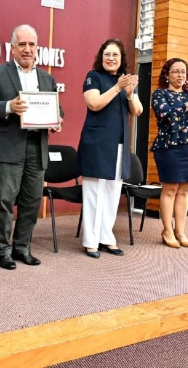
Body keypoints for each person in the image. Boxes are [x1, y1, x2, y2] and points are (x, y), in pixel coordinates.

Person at [0, 24, 64, 270]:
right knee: (5, 200)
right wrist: (8, 107)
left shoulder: (47, 78)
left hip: (37, 147)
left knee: (31, 201)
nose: (27, 49)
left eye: (32, 45)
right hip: (8, 147)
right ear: (12, 47)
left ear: (37, 48)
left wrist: (57, 119)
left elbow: (56, 108)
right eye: (22, 44)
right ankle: (3, 250)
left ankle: (22, 247)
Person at [76, 39, 143, 258]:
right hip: (97, 145)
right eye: (107, 54)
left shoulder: (125, 82)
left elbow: (138, 111)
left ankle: (106, 238)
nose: (111, 58)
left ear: (121, 58)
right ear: (101, 57)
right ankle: (91, 241)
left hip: (119, 145)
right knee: (94, 193)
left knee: (113, 194)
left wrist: (131, 93)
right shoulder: (93, 77)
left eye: (115, 55)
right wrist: (117, 88)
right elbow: (94, 103)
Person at [151, 58, 188, 249]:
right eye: (176, 71)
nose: (180, 75)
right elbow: (166, 116)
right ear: (167, 75)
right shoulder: (160, 94)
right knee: (170, 189)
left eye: (183, 72)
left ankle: (180, 231)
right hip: (169, 147)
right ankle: (167, 230)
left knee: (184, 190)